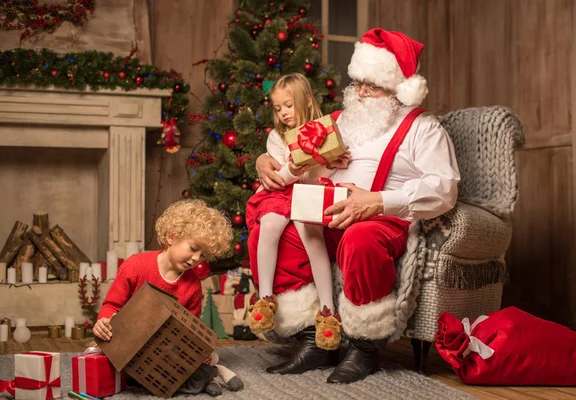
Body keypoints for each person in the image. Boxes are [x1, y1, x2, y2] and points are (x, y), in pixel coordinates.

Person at [249, 28, 461, 383]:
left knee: (360, 240)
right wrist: (262, 160)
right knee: (271, 231)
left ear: (398, 88)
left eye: (372, 86)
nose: (361, 92)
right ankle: (314, 337)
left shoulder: (422, 128)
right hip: (324, 212)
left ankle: (365, 344)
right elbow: (291, 154)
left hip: (381, 218)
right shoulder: (337, 121)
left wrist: (377, 201)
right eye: (359, 82)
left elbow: (445, 188)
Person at [245, 73, 350, 350]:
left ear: (304, 100)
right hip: (281, 191)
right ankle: (265, 298)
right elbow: (279, 178)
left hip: (308, 194)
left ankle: (328, 312)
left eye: (288, 106)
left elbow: (319, 177)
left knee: (310, 232)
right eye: (278, 108)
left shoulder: (326, 131)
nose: (283, 113)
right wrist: (292, 168)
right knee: (270, 224)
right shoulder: (277, 138)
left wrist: (334, 162)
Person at [93, 199, 232, 341]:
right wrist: (104, 322)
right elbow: (111, 305)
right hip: (126, 339)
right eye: (194, 248)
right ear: (171, 237)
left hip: (163, 346)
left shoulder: (193, 285)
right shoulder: (135, 266)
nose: (197, 258)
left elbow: (190, 329)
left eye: (203, 255)